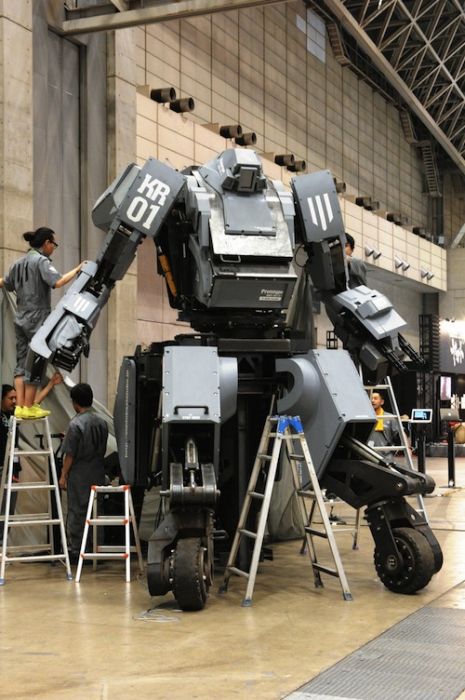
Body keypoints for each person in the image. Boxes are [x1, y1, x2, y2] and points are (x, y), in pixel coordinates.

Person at [0, 227, 82, 420]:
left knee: (21, 362)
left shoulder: (17, 264)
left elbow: (5, 283)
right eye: (54, 244)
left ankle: (20, 406)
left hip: (20, 317)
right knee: (37, 360)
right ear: (47, 243)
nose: (54, 248)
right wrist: (79, 268)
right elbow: (58, 282)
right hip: (37, 318)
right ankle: (28, 406)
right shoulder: (41, 261)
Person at [0, 374, 64, 539]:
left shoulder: (15, 413)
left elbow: (33, 403)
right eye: (10, 398)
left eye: (16, 398)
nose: (15, 401)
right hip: (2, 466)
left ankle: (1, 540)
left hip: (12, 468)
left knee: (8, 506)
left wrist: (50, 384)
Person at [59, 383, 108, 564]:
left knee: (78, 511)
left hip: (79, 473)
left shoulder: (75, 424)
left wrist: (63, 475)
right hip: (98, 471)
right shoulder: (102, 423)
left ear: (75, 402)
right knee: (96, 511)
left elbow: (70, 454)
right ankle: (97, 549)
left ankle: (78, 551)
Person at [368, 391, 401, 462]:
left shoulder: (390, 418)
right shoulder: (364, 417)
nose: (372, 400)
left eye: (375, 398)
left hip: (386, 456)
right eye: (371, 398)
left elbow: (399, 436)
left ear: (382, 402)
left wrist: (394, 451)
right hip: (367, 455)